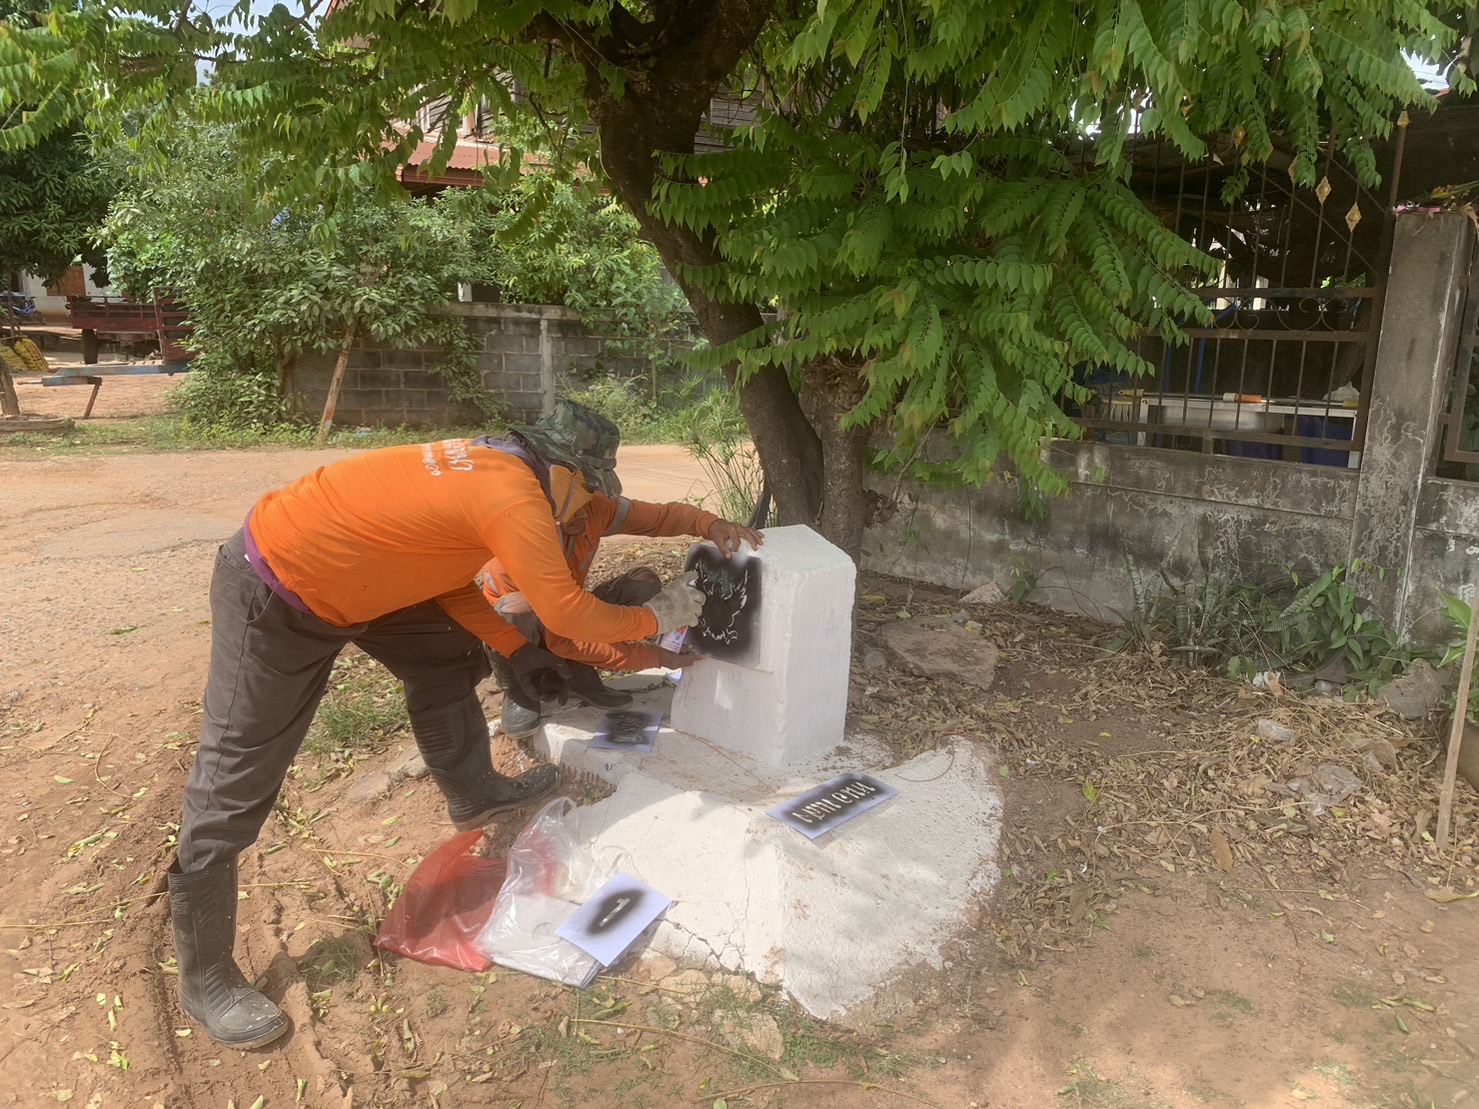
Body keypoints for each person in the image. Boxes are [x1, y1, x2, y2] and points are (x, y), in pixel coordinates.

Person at [168, 402, 714, 1050]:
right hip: (279, 588)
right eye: (589, 488)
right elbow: (569, 614)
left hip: (365, 580)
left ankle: (473, 790)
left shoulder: (499, 465)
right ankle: (205, 977)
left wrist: (515, 651)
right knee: (238, 767)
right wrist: (659, 618)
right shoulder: (516, 497)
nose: (588, 504)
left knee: (445, 652)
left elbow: (451, 579)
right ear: (565, 472)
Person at [477, 403, 764, 737]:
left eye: (593, 487)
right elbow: (564, 638)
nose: (588, 501)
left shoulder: (593, 508)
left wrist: (709, 524)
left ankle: (579, 674)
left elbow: (661, 517)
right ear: (552, 474)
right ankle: (520, 688)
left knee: (642, 583)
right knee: (514, 610)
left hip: (563, 616)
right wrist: (655, 656)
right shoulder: (520, 528)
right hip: (523, 630)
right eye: (582, 486)